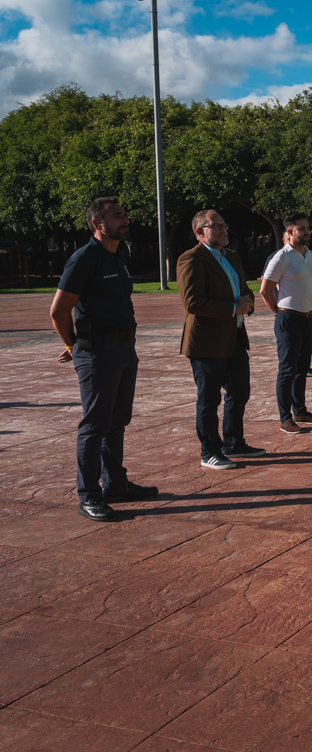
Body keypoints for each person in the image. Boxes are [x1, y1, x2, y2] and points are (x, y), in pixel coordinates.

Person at [49, 197, 156, 522]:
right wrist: (76, 347)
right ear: (98, 224)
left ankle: (115, 485)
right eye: (117, 216)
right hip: (97, 351)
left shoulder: (118, 254)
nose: (125, 220)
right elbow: (58, 311)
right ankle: (89, 495)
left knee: (117, 421)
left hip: (124, 348)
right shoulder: (84, 259)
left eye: (124, 214)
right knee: (94, 425)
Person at [177, 209, 263, 472]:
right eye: (216, 226)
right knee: (209, 398)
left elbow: (244, 290)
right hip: (206, 341)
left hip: (234, 336)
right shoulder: (191, 259)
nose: (223, 230)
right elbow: (192, 302)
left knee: (240, 391)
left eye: (225, 225)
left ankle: (234, 442)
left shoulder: (233, 256)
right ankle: (209, 451)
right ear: (200, 232)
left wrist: (247, 305)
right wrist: (231, 309)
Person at [261, 213, 312, 434]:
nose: (307, 231)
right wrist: (279, 314)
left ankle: (300, 411)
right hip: (289, 319)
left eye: (308, 227)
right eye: (301, 228)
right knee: (287, 370)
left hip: (309, 318)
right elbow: (265, 290)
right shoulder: (281, 258)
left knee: (302, 369)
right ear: (289, 232)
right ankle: (285, 418)